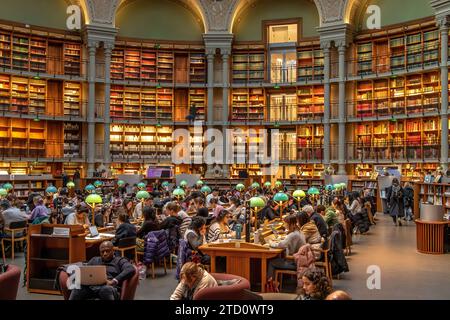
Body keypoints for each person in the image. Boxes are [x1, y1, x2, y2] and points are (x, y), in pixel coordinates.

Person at [69, 241, 135, 300]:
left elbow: (130, 269)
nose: (105, 254)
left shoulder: (119, 261)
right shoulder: (94, 260)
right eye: (102, 252)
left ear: (113, 250)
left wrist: (113, 281)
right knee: (77, 288)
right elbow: (85, 272)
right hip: (92, 288)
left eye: (107, 251)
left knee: (105, 289)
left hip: (109, 288)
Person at [267, 214, 306, 281]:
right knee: (279, 257)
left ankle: (270, 285)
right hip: (300, 260)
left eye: (285, 224)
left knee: (271, 262)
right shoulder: (299, 231)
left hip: (294, 262)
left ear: (291, 224)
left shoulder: (293, 235)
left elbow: (280, 245)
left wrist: (270, 243)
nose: (284, 225)